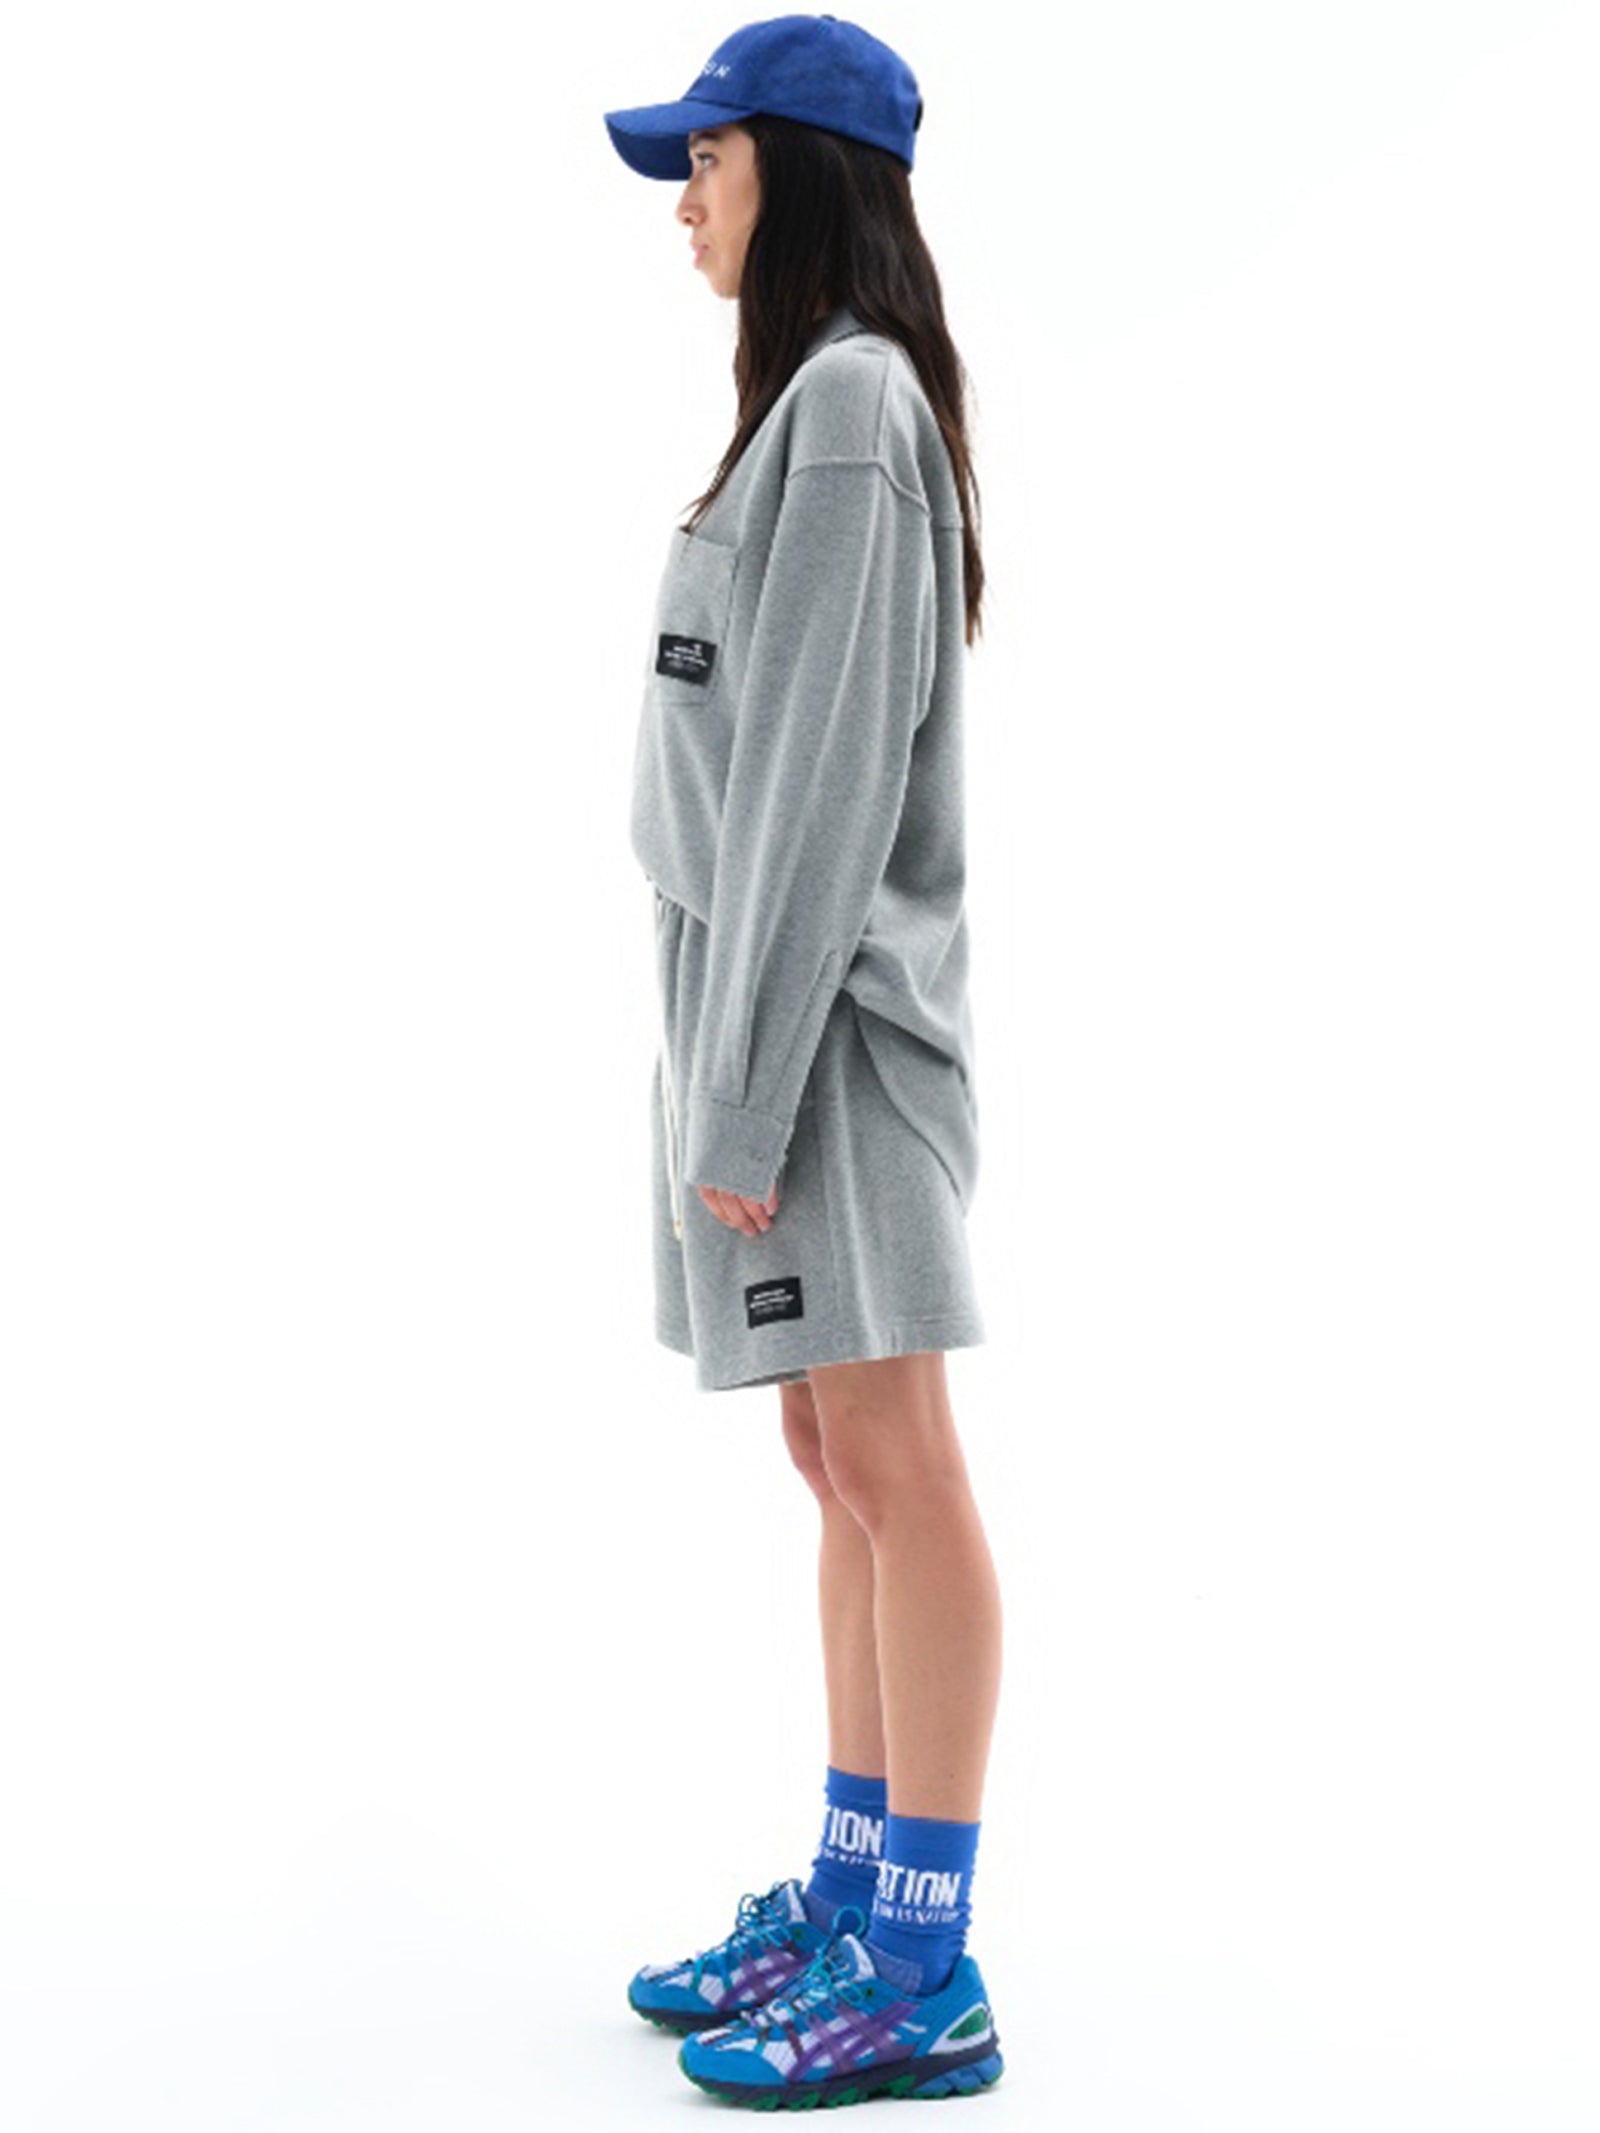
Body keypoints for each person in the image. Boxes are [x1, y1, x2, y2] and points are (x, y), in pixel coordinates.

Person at [604, 15, 1005, 2109]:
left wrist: (744, 1098)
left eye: (709, 160)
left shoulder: (847, 410)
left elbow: (814, 798)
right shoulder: (812, 414)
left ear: (802, 174)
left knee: (898, 1461)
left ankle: (922, 1959)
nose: (686, 201)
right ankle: (854, 1890)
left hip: (832, 1045)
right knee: (837, 1462)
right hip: (771, 1027)